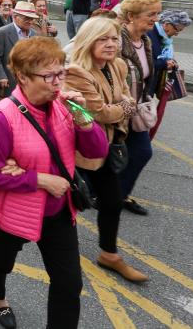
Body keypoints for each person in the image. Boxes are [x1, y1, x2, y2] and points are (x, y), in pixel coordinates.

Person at [0, 36, 108, 329]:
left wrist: (84, 119)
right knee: (3, 260)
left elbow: (97, 150)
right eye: (49, 75)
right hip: (14, 211)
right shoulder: (4, 116)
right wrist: (40, 180)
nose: (57, 82)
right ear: (22, 76)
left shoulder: (64, 107)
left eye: (61, 72)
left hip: (58, 211)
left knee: (69, 283)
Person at [64, 17, 148, 283]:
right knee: (68, 206)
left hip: (108, 146)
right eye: (103, 38)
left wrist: (119, 107)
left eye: (114, 38)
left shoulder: (118, 65)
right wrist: (120, 107)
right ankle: (61, 254)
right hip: (80, 150)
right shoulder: (77, 72)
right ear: (89, 41)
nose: (111, 44)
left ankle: (109, 254)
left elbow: (128, 98)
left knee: (112, 201)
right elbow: (99, 112)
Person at [118, 0, 162, 216]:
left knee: (142, 152)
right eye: (151, 14)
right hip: (115, 111)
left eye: (158, 13)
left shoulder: (146, 41)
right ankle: (101, 194)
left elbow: (146, 74)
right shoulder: (114, 39)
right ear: (131, 15)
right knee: (105, 156)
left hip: (136, 110)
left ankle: (119, 195)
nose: (156, 19)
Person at [147, 10, 192, 138]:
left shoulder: (165, 39)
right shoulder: (150, 35)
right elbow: (145, 63)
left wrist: (171, 62)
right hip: (144, 86)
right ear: (167, 24)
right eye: (177, 30)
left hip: (152, 83)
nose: (177, 34)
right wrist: (164, 64)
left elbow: (163, 58)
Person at [0, 1, 39, 103]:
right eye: (26, 18)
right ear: (15, 17)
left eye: (32, 18)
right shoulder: (1, 33)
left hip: (26, 87)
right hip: (5, 87)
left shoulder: (34, 35)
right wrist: (0, 76)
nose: (30, 21)